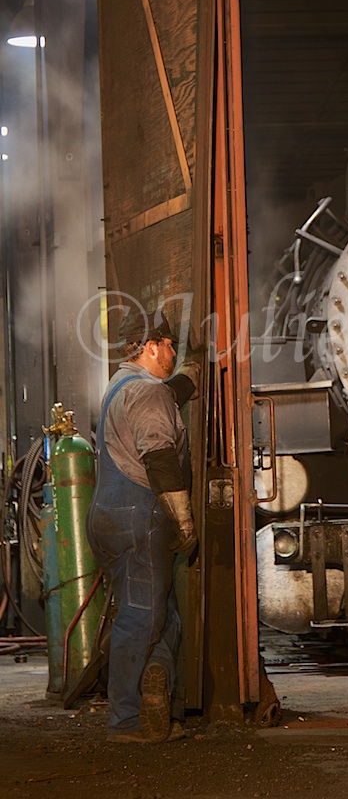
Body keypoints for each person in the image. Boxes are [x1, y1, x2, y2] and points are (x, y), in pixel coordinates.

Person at [86, 309, 199, 744]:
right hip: (138, 515)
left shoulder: (121, 384)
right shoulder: (150, 394)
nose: (172, 350)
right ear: (151, 347)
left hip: (108, 515)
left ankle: (154, 687)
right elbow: (159, 458)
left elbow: (164, 398)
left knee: (158, 614)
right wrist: (184, 521)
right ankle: (126, 721)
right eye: (169, 344)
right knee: (141, 618)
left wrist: (192, 375)